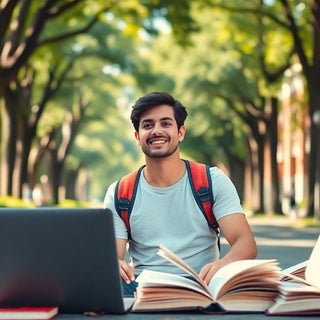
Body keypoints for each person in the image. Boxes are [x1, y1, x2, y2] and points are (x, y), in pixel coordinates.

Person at [103, 92, 257, 296]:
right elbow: (113, 257)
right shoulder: (120, 193)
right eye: (147, 125)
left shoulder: (212, 181)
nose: (156, 130)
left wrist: (224, 264)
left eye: (165, 123)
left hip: (201, 285)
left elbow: (245, 243)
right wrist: (115, 264)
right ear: (137, 137)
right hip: (141, 288)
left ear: (181, 132)